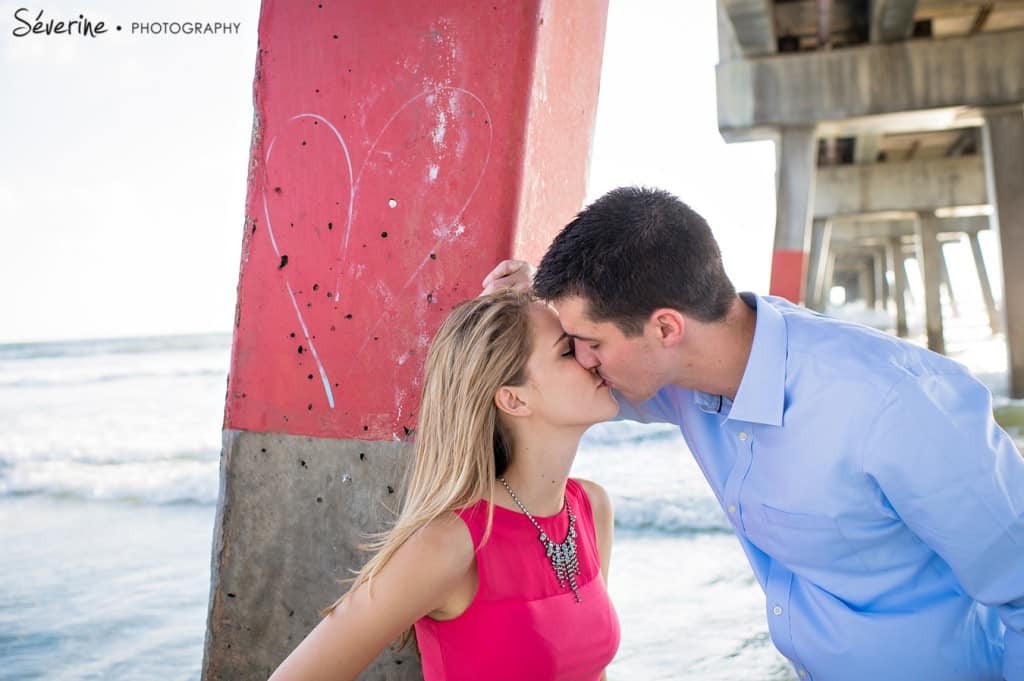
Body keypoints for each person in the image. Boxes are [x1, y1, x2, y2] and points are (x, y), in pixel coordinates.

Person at [482, 186, 1024, 681]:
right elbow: (563, 394)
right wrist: (530, 317)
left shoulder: (896, 405)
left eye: (589, 341)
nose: (584, 360)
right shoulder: (678, 375)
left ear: (666, 327)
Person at [267, 290, 620, 681]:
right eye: (568, 352)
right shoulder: (449, 544)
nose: (591, 358)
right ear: (513, 400)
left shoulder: (591, 508)